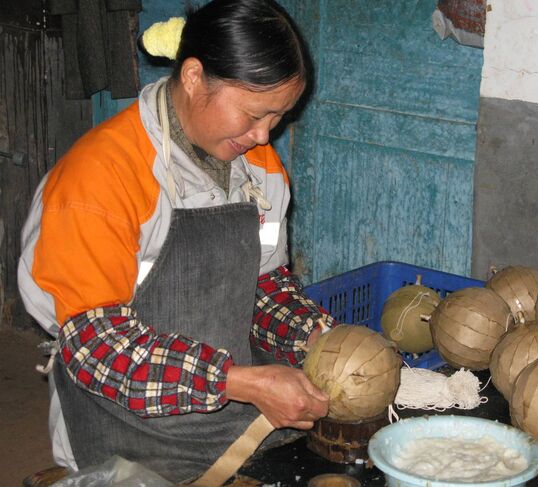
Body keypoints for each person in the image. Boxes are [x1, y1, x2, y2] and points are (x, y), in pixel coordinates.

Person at [18, 0, 335, 483]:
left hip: (226, 410)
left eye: (279, 115)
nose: (265, 134)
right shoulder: (100, 180)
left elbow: (265, 285)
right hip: (121, 421)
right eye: (254, 114)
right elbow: (98, 349)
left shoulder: (260, 167)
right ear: (192, 77)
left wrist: (313, 340)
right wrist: (241, 382)